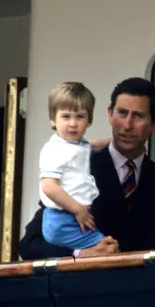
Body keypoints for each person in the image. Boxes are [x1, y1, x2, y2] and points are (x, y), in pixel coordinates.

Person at [19, 77, 155, 260]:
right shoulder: (77, 167)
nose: (127, 125)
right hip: (85, 285)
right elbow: (30, 244)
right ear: (109, 114)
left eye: (138, 116)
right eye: (122, 113)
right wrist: (80, 254)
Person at [39, 81, 115, 251]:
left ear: (89, 121)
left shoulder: (77, 144)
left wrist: (115, 141)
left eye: (79, 116)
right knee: (106, 247)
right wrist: (78, 210)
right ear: (53, 120)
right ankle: (82, 255)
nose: (73, 123)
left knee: (107, 247)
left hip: (73, 215)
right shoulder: (54, 149)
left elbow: (91, 146)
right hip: (63, 218)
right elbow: (49, 187)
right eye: (66, 117)